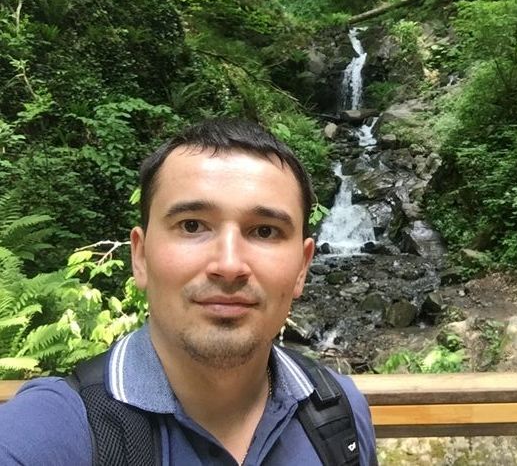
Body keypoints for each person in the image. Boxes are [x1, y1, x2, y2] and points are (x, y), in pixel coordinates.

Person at [0, 118, 377, 465]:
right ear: (140, 257)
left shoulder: (339, 412)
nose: (229, 264)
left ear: (302, 268)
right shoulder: (51, 431)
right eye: (192, 225)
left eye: (265, 231)